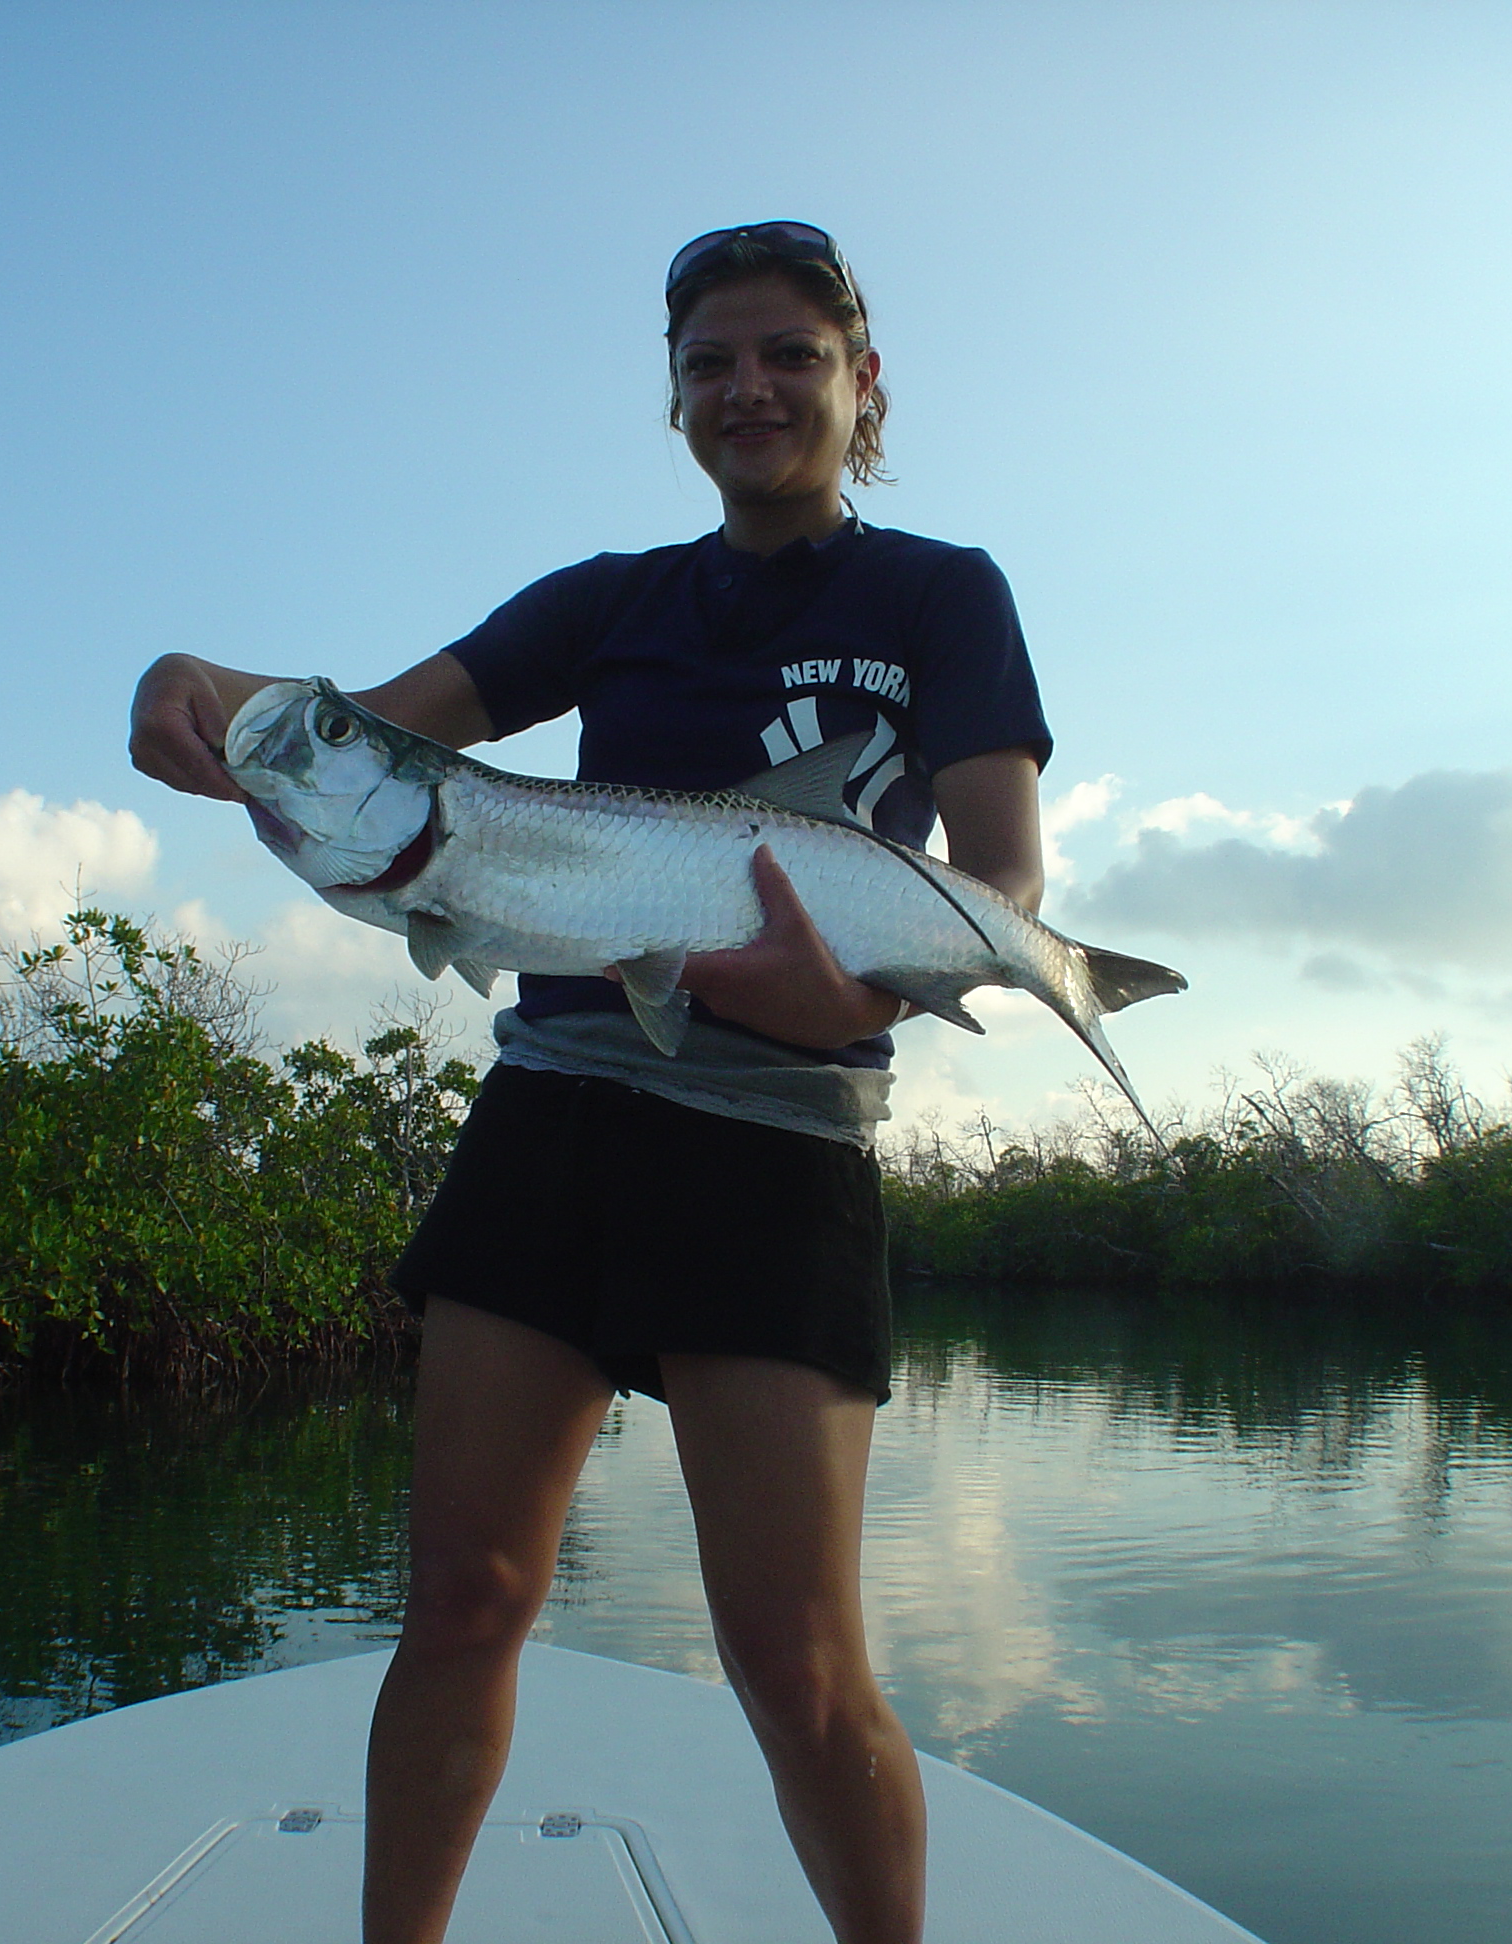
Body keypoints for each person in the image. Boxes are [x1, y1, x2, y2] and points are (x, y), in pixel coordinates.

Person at [128, 221, 1051, 1944]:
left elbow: (1002, 893)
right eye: (710, 361)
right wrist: (194, 687)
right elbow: (356, 733)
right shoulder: (607, 602)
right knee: (465, 1598)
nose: (749, 388)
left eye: (789, 354)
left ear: (864, 385)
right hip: (555, 1107)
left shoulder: (941, 595)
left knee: (795, 1664)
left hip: (778, 1142)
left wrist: (839, 993)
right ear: (676, 397)